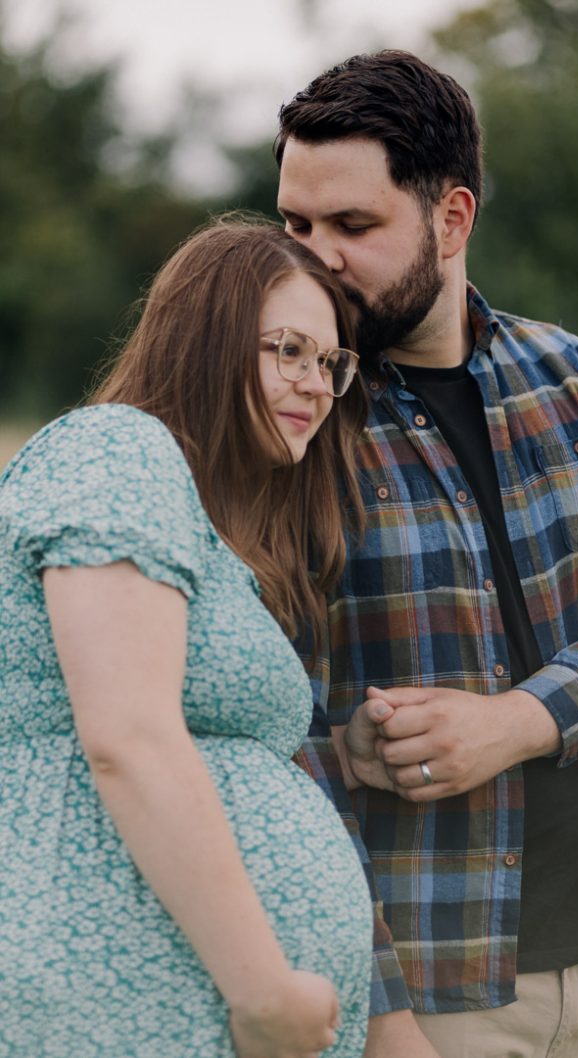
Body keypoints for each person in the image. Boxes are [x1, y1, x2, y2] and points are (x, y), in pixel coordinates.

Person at [275, 50, 578, 1058]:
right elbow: (273, 745)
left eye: (352, 226)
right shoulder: (292, 421)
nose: (310, 258)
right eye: (295, 224)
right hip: (421, 976)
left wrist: (523, 718)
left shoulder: (576, 381)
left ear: (453, 219)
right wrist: (382, 1018)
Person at [0, 215, 374, 1058]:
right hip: (115, 1008)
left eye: (328, 362)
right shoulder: (119, 449)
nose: (315, 384)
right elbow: (127, 738)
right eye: (287, 349)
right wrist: (265, 990)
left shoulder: (203, 521)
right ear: (204, 340)